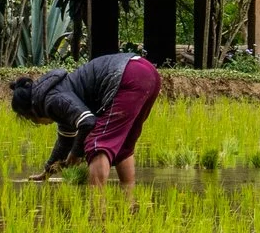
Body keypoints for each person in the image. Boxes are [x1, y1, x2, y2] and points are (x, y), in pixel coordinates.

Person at [10, 52, 162, 185]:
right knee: (124, 146)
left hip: (127, 76)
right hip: (147, 71)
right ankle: (128, 194)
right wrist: (47, 172)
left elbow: (88, 122)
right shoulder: (56, 96)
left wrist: (75, 155)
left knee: (97, 144)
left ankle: (96, 205)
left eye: (31, 119)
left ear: (32, 110)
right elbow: (64, 142)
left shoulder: (53, 100)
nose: (38, 124)